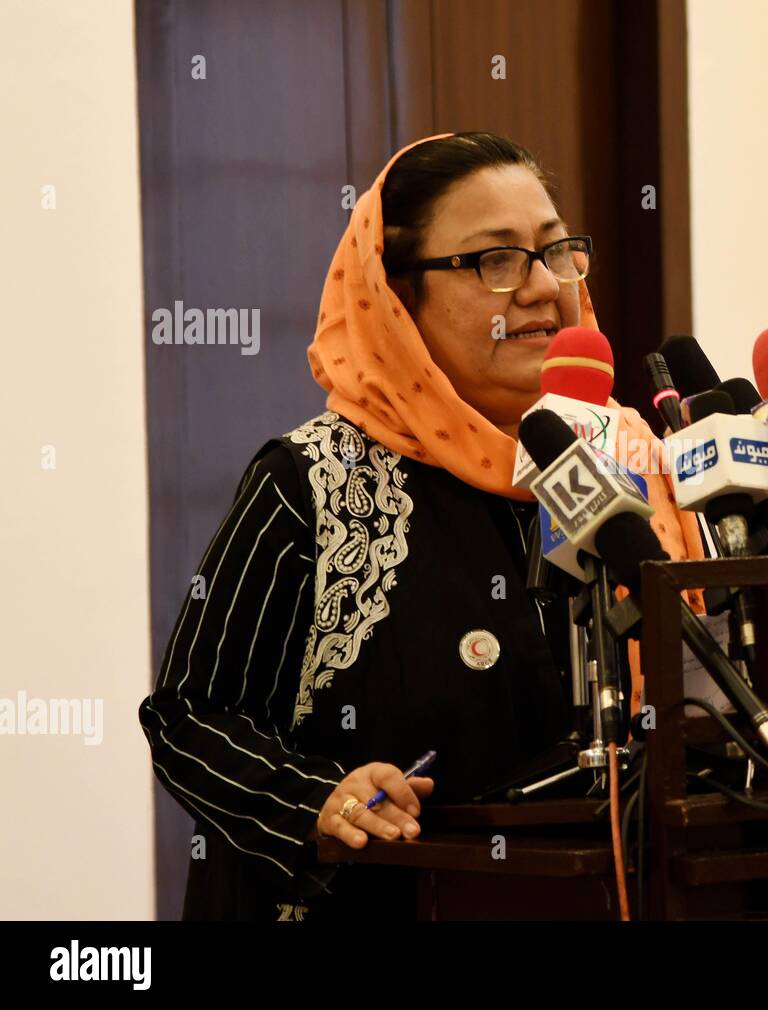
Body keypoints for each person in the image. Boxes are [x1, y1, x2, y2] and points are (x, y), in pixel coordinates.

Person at [139, 132, 701, 919]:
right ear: (397, 298)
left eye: (557, 251)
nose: (545, 287)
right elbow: (189, 717)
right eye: (495, 260)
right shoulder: (315, 482)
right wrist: (316, 803)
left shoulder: (635, 461)